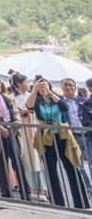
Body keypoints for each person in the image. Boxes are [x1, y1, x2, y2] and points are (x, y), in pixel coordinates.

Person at [26, 78, 89, 208]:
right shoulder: (37, 100)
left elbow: (64, 106)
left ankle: (81, 203)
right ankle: (58, 203)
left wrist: (49, 92)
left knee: (72, 168)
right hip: (46, 137)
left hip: (63, 135)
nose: (43, 88)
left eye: (45, 85)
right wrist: (35, 89)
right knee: (51, 171)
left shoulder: (56, 97)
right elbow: (29, 106)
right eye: (40, 86)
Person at [58, 78, 92, 197]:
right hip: (73, 136)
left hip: (87, 135)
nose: (69, 88)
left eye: (71, 85)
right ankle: (89, 189)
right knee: (80, 166)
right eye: (66, 86)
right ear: (62, 88)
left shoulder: (82, 100)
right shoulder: (59, 102)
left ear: (75, 86)